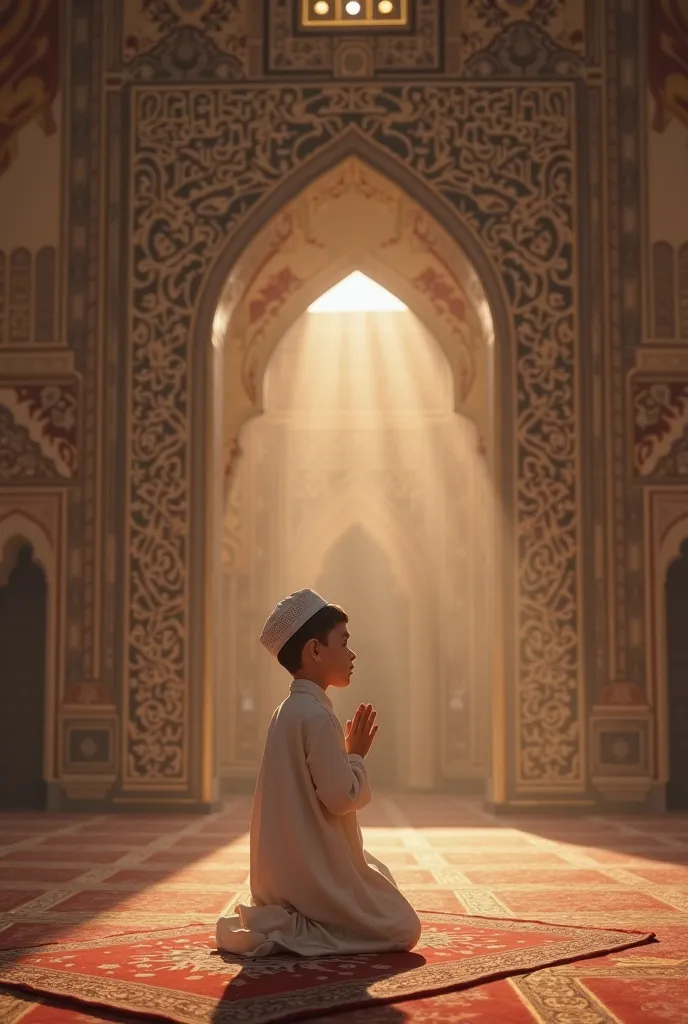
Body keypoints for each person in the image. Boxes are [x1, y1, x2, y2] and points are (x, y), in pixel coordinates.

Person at [216, 588, 422, 957]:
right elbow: (341, 799)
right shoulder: (317, 715)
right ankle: (299, 925)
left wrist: (343, 755)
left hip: (280, 878)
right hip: (312, 879)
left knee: (378, 876)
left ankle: (285, 916)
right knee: (403, 927)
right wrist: (356, 756)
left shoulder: (287, 710)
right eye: (343, 642)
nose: (352, 653)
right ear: (314, 650)